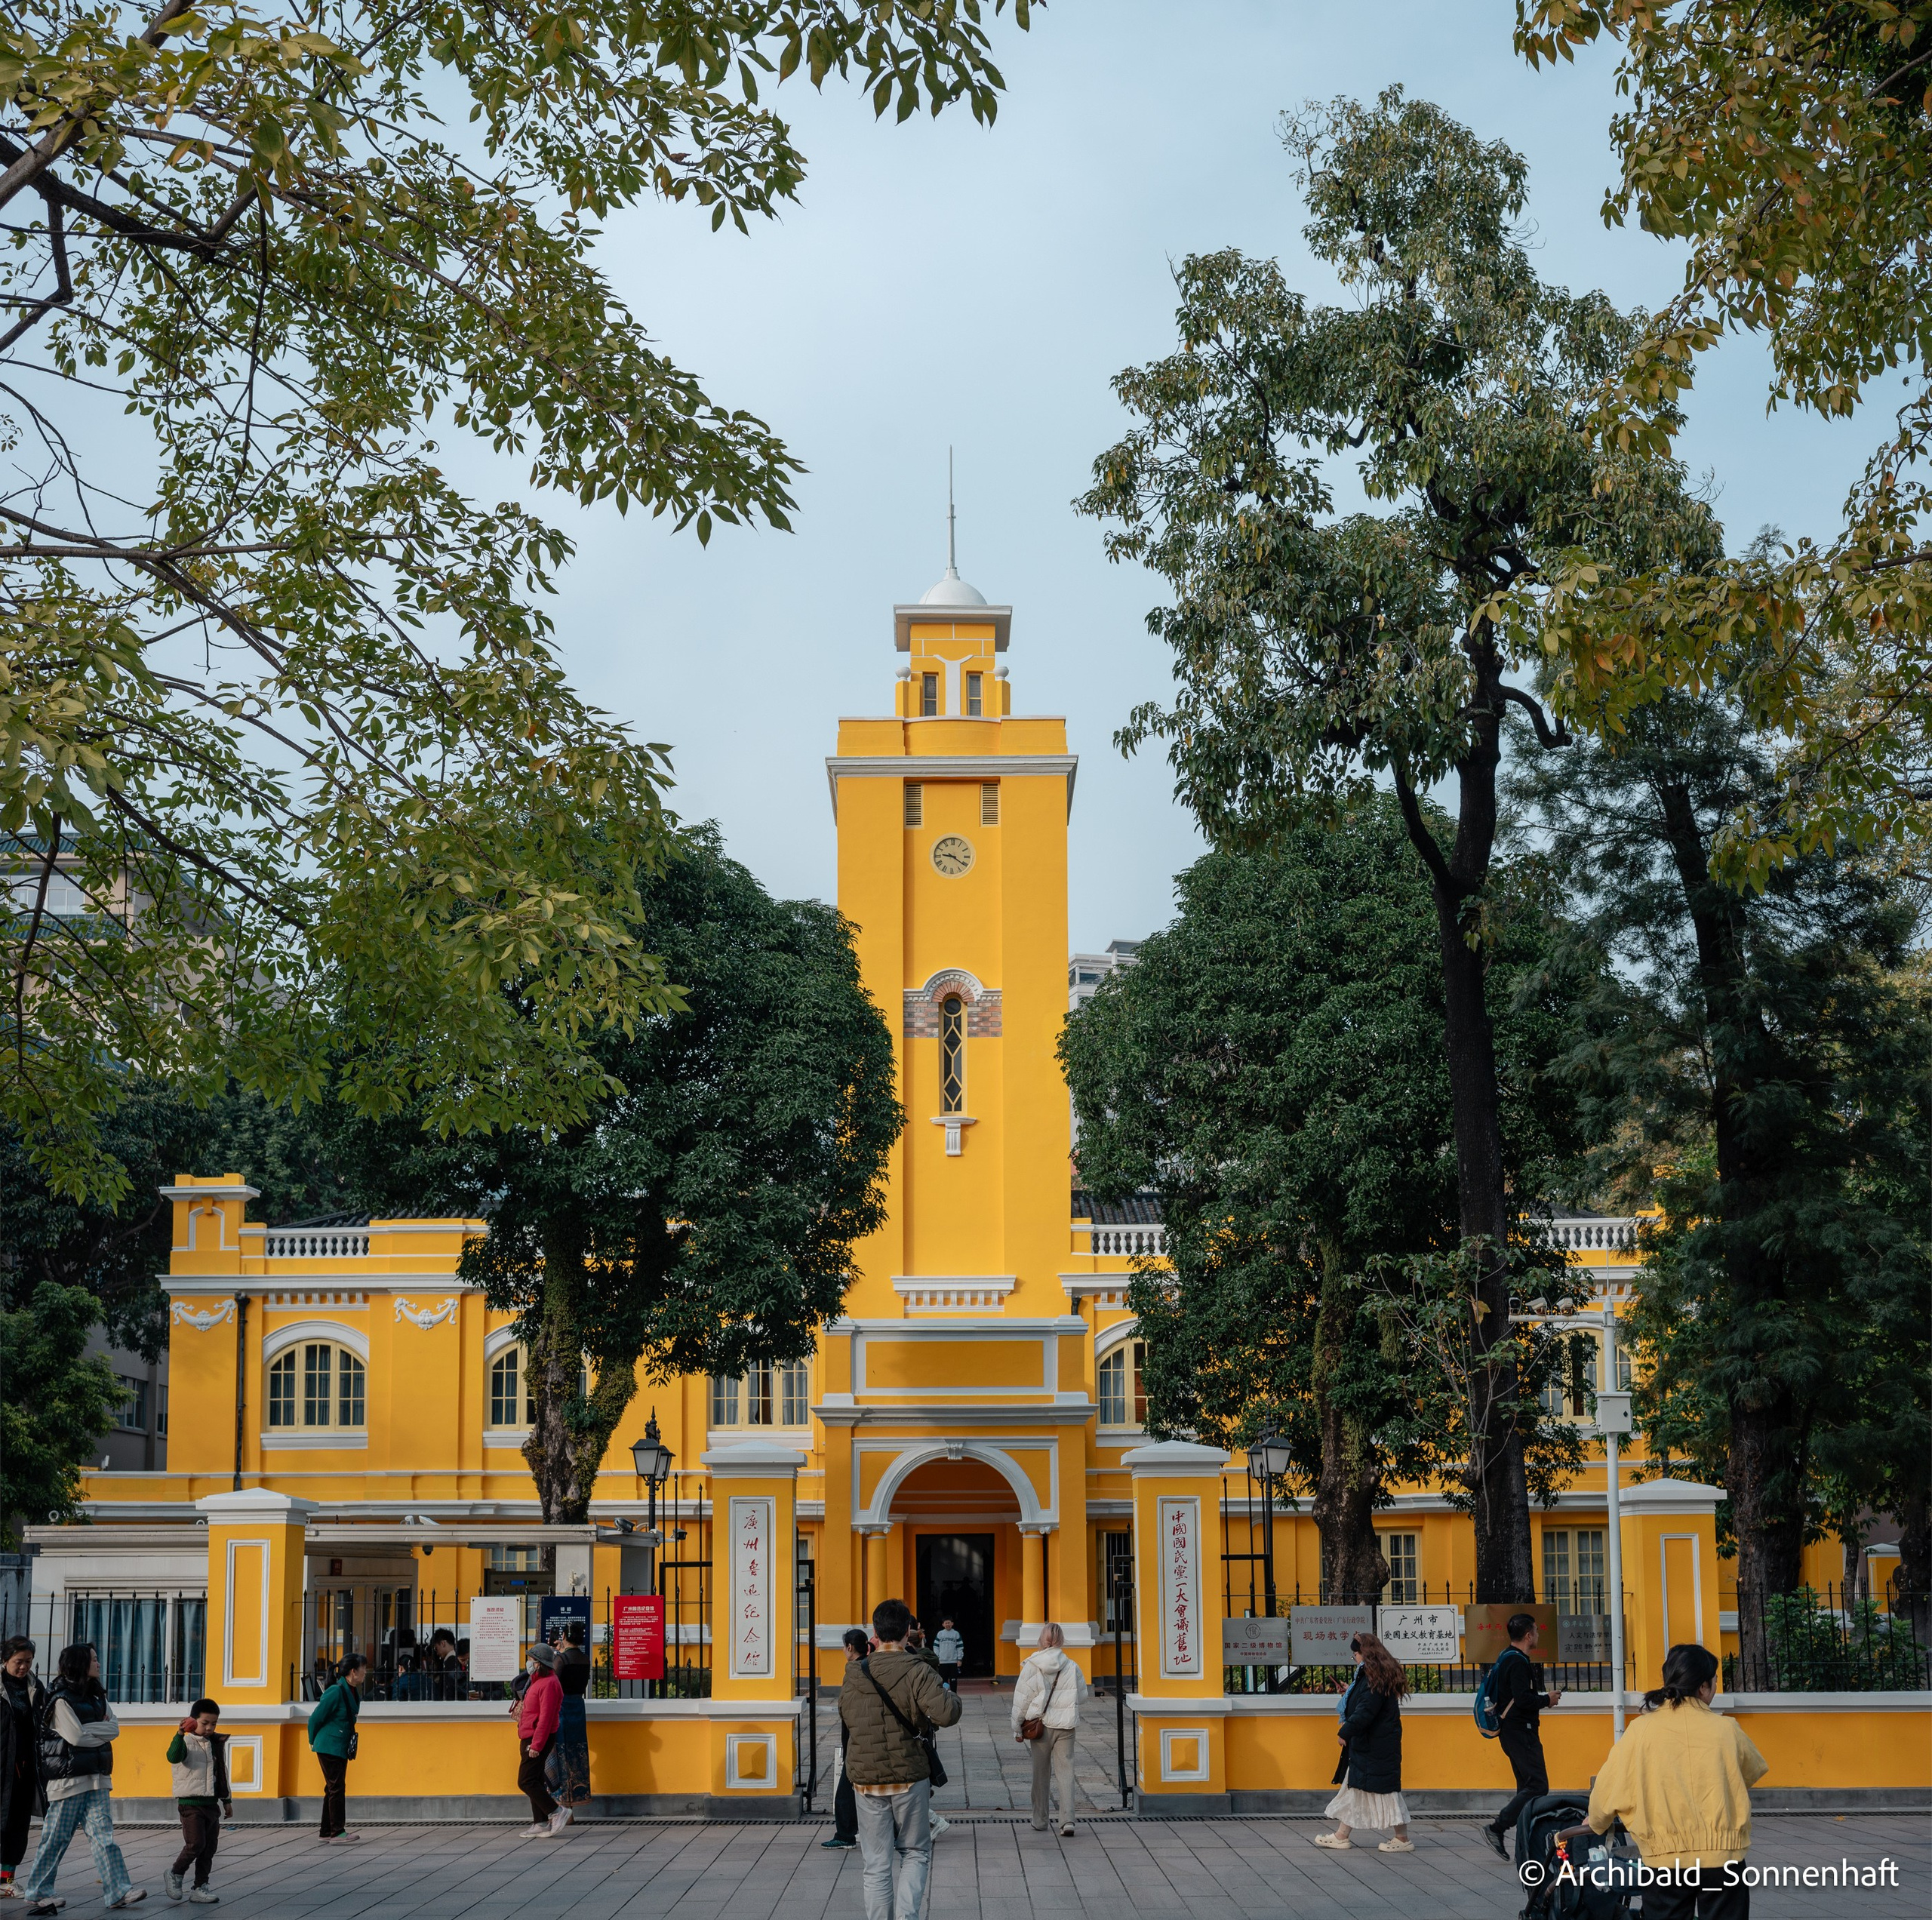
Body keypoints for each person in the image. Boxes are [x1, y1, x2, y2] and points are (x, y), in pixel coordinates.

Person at [1577, 1643, 1768, 1920]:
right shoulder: (1727, 1729)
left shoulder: (1640, 1730)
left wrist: (1596, 1821)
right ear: (1703, 1687)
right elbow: (1748, 1773)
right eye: (1715, 1681)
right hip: (1722, 1856)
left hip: (1664, 1859)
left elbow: (1609, 1787)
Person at [839, 1598, 962, 1920]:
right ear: (908, 1630)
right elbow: (947, 1713)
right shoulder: (917, 1669)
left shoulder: (855, 1673)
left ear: (875, 1632)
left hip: (865, 1778)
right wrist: (949, 1694)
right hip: (909, 1774)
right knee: (915, 1852)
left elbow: (846, 1715)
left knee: (876, 1864)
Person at [19, 1642, 140, 1915]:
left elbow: (114, 1729)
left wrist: (90, 1730)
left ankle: (118, 1891)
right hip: (69, 1780)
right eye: (94, 1659)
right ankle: (38, 1891)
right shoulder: (60, 1699)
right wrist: (97, 1731)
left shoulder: (97, 1696)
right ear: (80, 1663)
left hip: (97, 1778)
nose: (98, 1663)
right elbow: (75, 1737)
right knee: (56, 1838)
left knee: (104, 1837)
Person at [1312, 1632, 1412, 1853]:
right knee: (1357, 1789)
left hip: (1374, 1746)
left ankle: (1402, 1839)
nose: (1355, 1659)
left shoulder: (1373, 1679)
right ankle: (1342, 1836)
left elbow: (1365, 1711)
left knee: (1385, 1793)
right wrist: (1349, 1693)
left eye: (1355, 1654)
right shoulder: (1375, 1676)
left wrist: (1345, 1732)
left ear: (1365, 1654)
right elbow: (1364, 1703)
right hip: (1374, 1746)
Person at [1481, 1612, 1564, 1859]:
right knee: (1538, 1785)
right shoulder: (1517, 1662)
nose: (1537, 1635)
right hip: (1520, 1731)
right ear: (1528, 1636)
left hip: (1512, 1731)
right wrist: (1547, 1700)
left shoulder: (1506, 1656)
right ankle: (1497, 1828)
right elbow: (1523, 1699)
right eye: (1536, 1631)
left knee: (1526, 1788)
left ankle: (1524, 1848)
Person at [1010, 1623, 1081, 1838]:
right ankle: (1067, 1821)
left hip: (1041, 1728)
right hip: (1066, 1726)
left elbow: (1021, 1700)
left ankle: (1040, 1820)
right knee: (1066, 1774)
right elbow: (1083, 1696)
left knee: (1040, 1775)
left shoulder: (1032, 1665)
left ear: (1042, 1640)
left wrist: (1017, 1728)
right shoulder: (1072, 1666)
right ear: (1061, 1640)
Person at [164, 1697, 232, 1904]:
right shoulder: (186, 1742)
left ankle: (200, 1887)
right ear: (193, 1721)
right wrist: (179, 1734)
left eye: (214, 1724)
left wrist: (226, 1800)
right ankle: (175, 1873)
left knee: (209, 1847)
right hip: (190, 1805)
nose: (209, 1728)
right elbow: (173, 1757)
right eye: (205, 1723)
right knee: (196, 1844)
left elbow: (221, 1773)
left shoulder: (215, 1744)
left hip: (211, 1804)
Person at [1, 1637, 46, 1900]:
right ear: (5, 1660)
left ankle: (6, 1880)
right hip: (2, 1765)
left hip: (25, 1768)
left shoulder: (35, 1687)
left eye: (28, 1662)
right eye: (18, 1662)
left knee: (18, 1825)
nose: (23, 1667)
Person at [306, 1653, 366, 1845]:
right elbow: (316, 1718)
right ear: (353, 1672)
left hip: (339, 1745)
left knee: (332, 1788)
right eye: (363, 1669)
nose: (365, 1672)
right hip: (328, 1745)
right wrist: (312, 1740)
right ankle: (337, 1832)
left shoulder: (351, 1690)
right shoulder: (336, 1691)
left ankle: (326, 1831)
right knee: (337, 1787)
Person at [820, 1629, 872, 1852]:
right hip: (870, 1737)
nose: (843, 1650)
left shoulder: (854, 1671)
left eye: (844, 1646)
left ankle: (845, 1835)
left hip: (857, 1739)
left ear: (850, 1647)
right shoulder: (873, 1667)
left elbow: (847, 1708)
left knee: (845, 1794)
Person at [515, 1645, 568, 1838]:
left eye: (533, 1660)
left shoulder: (549, 1684)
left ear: (541, 1664)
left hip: (537, 1737)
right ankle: (541, 1822)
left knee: (525, 1780)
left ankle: (556, 1811)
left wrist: (536, 1745)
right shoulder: (537, 1681)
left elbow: (546, 1718)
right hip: (529, 1735)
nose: (529, 1663)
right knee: (535, 1779)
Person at [549, 1627, 592, 1826]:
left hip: (562, 1709)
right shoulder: (585, 1659)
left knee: (561, 1757)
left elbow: (553, 1683)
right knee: (577, 1756)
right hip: (578, 1708)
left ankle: (563, 1809)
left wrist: (557, 1655)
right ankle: (573, 1806)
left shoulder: (562, 1660)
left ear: (565, 1636)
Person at [931, 1620, 964, 1692]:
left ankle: (954, 1695)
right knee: (943, 1680)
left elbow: (960, 1647)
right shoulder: (940, 1634)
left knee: (953, 1680)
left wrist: (959, 1659)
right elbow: (936, 1647)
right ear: (943, 1624)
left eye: (949, 1623)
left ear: (952, 1623)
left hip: (953, 1661)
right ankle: (944, 1695)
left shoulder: (956, 1634)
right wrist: (937, 1658)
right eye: (946, 1623)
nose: (947, 1625)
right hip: (942, 1661)